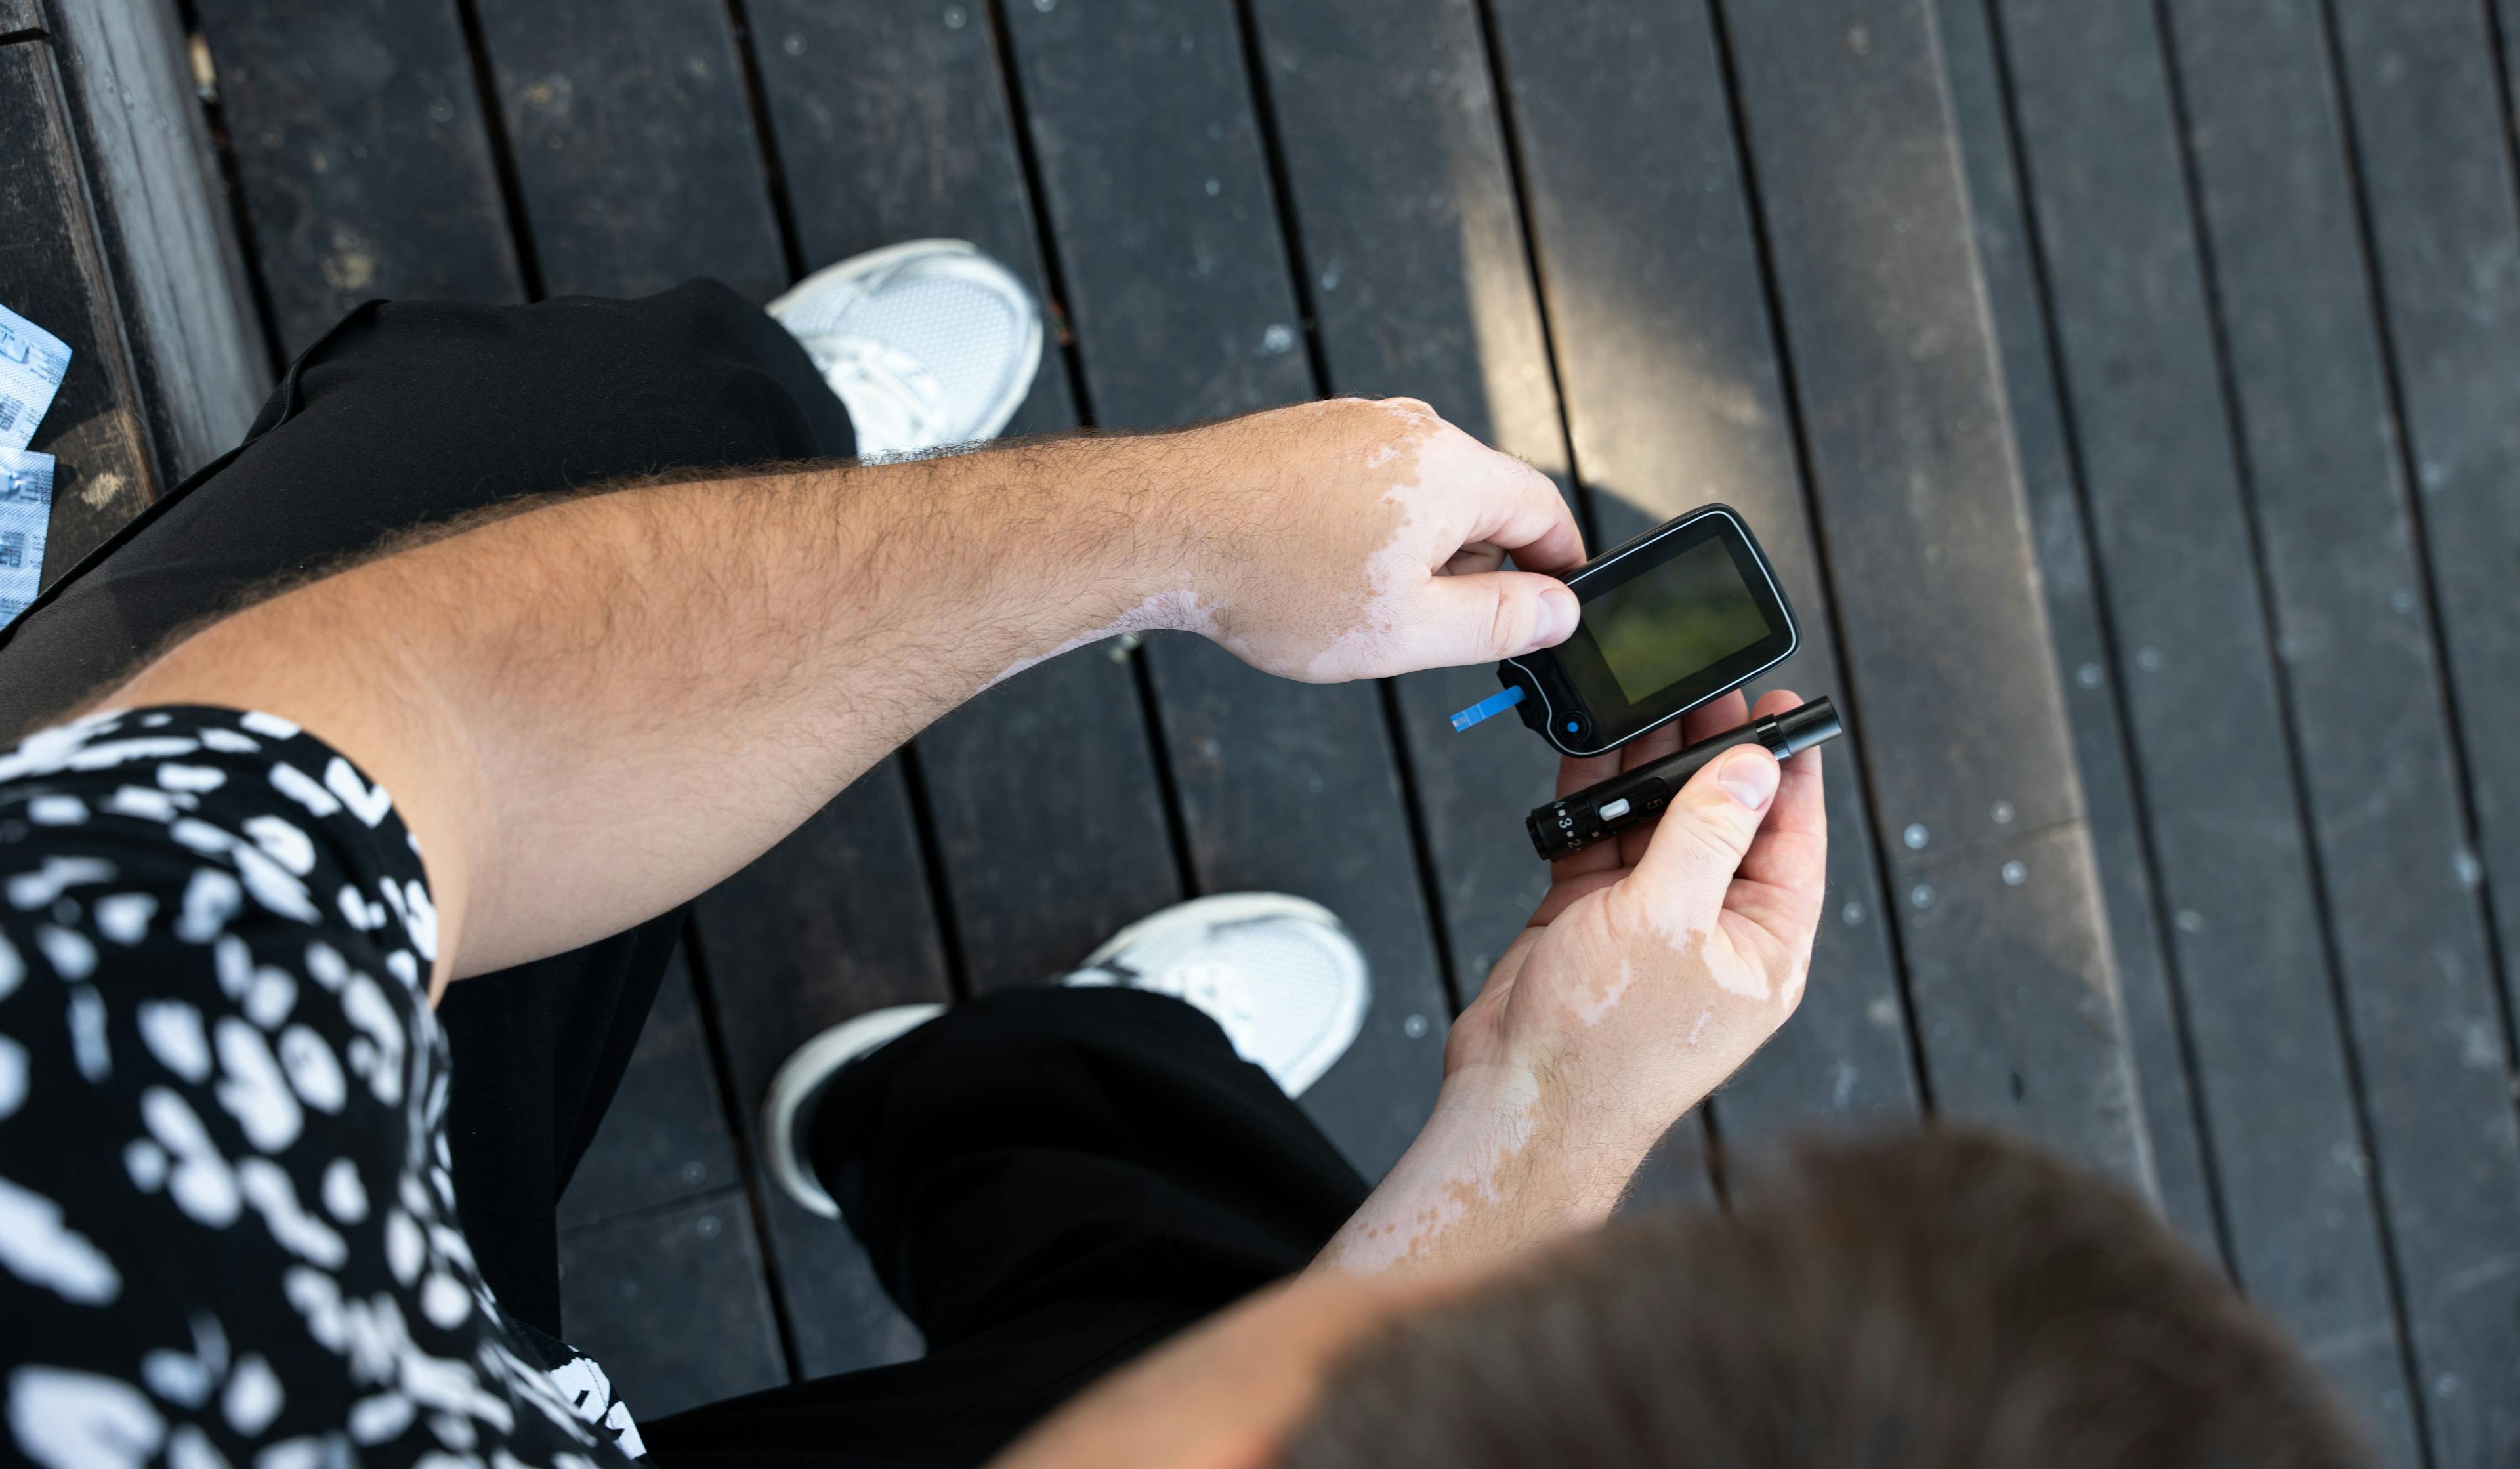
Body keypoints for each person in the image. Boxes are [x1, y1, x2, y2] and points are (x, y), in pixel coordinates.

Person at [0, 245, 2366, 1468]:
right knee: (1213, 1252)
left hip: (309, 1257)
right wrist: (1542, 1130)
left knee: (598, 451)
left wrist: (1154, 540)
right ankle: (1007, 1079)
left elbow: (413, 724)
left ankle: (771, 451)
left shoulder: (101, 1274)